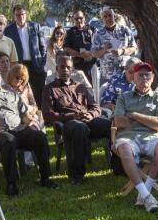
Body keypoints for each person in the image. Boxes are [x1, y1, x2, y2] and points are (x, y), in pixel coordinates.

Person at [0, 64, 56, 196]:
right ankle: (12, 183)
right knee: (9, 140)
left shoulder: (11, 94)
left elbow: (24, 115)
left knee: (39, 136)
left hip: (18, 130)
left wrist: (31, 122)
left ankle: (45, 178)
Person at [113, 62, 158, 213]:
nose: (144, 77)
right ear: (133, 78)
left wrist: (135, 115)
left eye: (147, 75)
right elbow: (119, 121)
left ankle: (145, 190)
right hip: (127, 137)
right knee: (125, 150)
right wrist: (149, 121)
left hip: (152, 137)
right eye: (140, 75)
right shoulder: (123, 98)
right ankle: (146, 195)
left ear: (152, 79)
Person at [43, 54, 111, 183]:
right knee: (79, 127)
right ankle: (77, 175)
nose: (65, 70)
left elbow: (96, 107)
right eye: (62, 67)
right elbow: (47, 114)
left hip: (87, 119)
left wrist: (90, 114)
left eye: (68, 67)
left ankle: (119, 166)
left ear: (72, 70)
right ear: (57, 68)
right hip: (68, 123)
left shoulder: (80, 86)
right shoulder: (50, 89)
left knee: (110, 124)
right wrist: (73, 116)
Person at [89, 7, 137, 106]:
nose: (108, 18)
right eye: (105, 16)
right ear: (102, 18)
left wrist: (122, 51)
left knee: (128, 100)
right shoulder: (98, 34)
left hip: (126, 73)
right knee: (107, 101)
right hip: (108, 74)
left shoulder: (124, 30)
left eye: (110, 15)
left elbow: (133, 47)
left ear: (114, 15)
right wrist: (104, 49)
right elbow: (93, 53)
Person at [4, 4, 47, 106]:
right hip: (19, 65)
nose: (21, 17)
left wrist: (42, 63)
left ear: (26, 14)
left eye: (23, 14)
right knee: (21, 93)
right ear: (14, 16)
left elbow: (43, 47)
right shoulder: (9, 30)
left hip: (36, 65)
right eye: (18, 15)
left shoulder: (35, 26)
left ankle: (41, 117)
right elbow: (7, 50)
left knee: (40, 93)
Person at [6, 63, 44, 129]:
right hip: (14, 118)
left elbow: (34, 106)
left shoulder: (26, 88)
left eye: (22, 78)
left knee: (35, 124)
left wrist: (29, 109)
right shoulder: (5, 89)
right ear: (11, 76)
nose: (19, 80)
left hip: (28, 115)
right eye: (17, 77)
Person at [64, 9, 97, 75]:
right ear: (73, 20)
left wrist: (91, 53)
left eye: (81, 18)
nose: (79, 20)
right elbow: (66, 48)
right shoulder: (70, 32)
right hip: (78, 65)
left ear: (84, 18)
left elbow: (99, 44)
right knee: (80, 85)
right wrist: (80, 55)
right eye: (76, 19)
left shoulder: (93, 29)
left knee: (94, 85)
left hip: (93, 64)